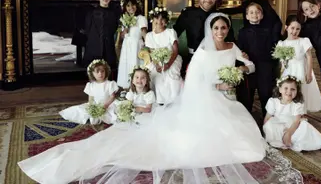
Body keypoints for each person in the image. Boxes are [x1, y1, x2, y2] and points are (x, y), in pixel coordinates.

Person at [18, 13, 303, 184]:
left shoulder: (232, 45)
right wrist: (216, 86)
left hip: (227, 96)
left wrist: (239, 72)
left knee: (247, 139)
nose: (220, 32)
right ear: (210, 30)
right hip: (206, 99)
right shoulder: (203, 52)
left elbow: (249, 64)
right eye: (216, 29)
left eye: (224, 28)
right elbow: (194, 81)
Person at [173, 0, 235, 78]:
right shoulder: (188, 14)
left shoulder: (222, 16)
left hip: (217, 59)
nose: (208, 0)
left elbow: (231, 40)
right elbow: (174, 34)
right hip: (193, 59)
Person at [263, 75, 321, 152]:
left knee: (305, 125)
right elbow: (267, 117)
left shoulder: (296, 104)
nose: (289, 92)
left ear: (297, 92)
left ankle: (318, 142)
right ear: (280, 89)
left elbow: (296, 121)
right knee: (269, 124)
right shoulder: (273, 102)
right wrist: (265, 131)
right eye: (286, 88)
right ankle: (279, 141)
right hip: (278, 125)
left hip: (292, 127)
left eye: (293, 89)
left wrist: (288, 133)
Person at [237, 3, 279, 122]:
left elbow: (273, 48)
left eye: (257, 12)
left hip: (265, 66)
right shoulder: (243, 32)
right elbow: (240, 48)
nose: (254, 14)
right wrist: (242, 54)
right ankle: (246, 120)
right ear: (247, 16)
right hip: (249, 67)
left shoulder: (268, 31)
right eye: (251, 12)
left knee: (265, 93)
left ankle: (268, 120)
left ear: (261, 15)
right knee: (247, 95)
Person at [277, 15, 321, 113]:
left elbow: (309, 57)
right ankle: (290, 112)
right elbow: (281, 62)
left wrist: (309, 73)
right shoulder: (282, 44)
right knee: (289, 92)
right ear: (286, 27)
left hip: (301, 70)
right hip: (288, 71)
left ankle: (301, 114)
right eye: (292, 28)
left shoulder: (303, 41)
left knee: (301, 92)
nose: (294, 31)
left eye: (297, 29)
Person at [59, 59, 119, 124]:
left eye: (102, 71)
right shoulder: (91, 85)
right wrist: (92, 107)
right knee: (80, 110)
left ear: (106, 72)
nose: (100, 74)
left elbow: (112, 97)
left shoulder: (110, 84)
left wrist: (105, 105)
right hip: (96, 105)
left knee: (112, 113)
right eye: (97, 72)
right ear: (92, 73)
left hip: (108, 104)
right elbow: (91, 98)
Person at [145, 7, 183, 104]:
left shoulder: (170, 32)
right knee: (156, 75)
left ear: (166, 21)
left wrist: (168, 64)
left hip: (172, 59)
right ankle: (160, 101)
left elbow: (175, 50)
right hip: (156, 60)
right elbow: (152, 52)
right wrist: (157, 64)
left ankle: (174, 100)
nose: (159, 21)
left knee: (171, 76)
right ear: (153, 20)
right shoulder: (149, 35)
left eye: (162, 19)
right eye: (157, 18)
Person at [82, 0, 119, 69]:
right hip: (94, 46)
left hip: (108, 46)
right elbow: (87, 30)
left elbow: (114, 29)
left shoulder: (113, 14)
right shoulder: (91, 13)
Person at [117, 0, 148, 89]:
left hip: (136, 46)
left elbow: (144, 34)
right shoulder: (124, 19)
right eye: (128, 5)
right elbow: (123, 36)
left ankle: (136, 86)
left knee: (135, 64)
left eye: (133, 5)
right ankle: (126, 87)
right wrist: (124, 31)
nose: (131, 7)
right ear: (125, 7)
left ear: (137, 5)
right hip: (127, 46)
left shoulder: (141, 18)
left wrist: (147, 46)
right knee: (126, 65)